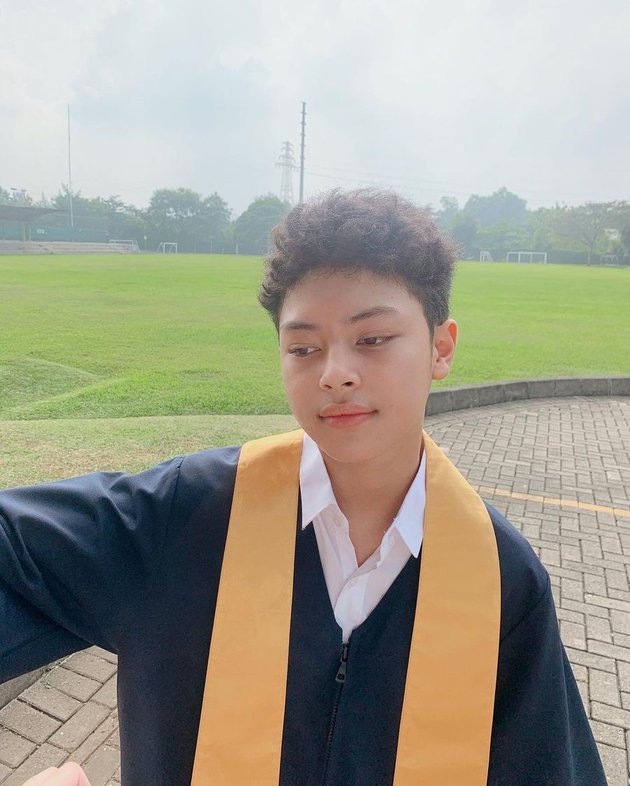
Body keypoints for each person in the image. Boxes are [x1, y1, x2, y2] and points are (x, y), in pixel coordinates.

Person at [1, 189, 606, 786]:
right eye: (303, 347)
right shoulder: (184, 518)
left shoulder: (500, 578)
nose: (335, 373)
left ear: (440, 347)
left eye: (371, 339)